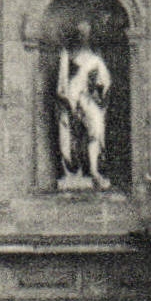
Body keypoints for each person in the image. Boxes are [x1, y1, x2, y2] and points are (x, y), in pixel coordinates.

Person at [56, 20, 112, 189]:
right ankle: (74, 171)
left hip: (90, 101)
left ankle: (94, 171)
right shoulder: (68, 55)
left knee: (96, 129)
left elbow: (105, 82)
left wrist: (97, 93)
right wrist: (70, 101)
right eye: (80, 33)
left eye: (86, 33)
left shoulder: (96, 58)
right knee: (72, 136)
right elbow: (61, 84)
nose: (83, 36)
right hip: (71, 102)